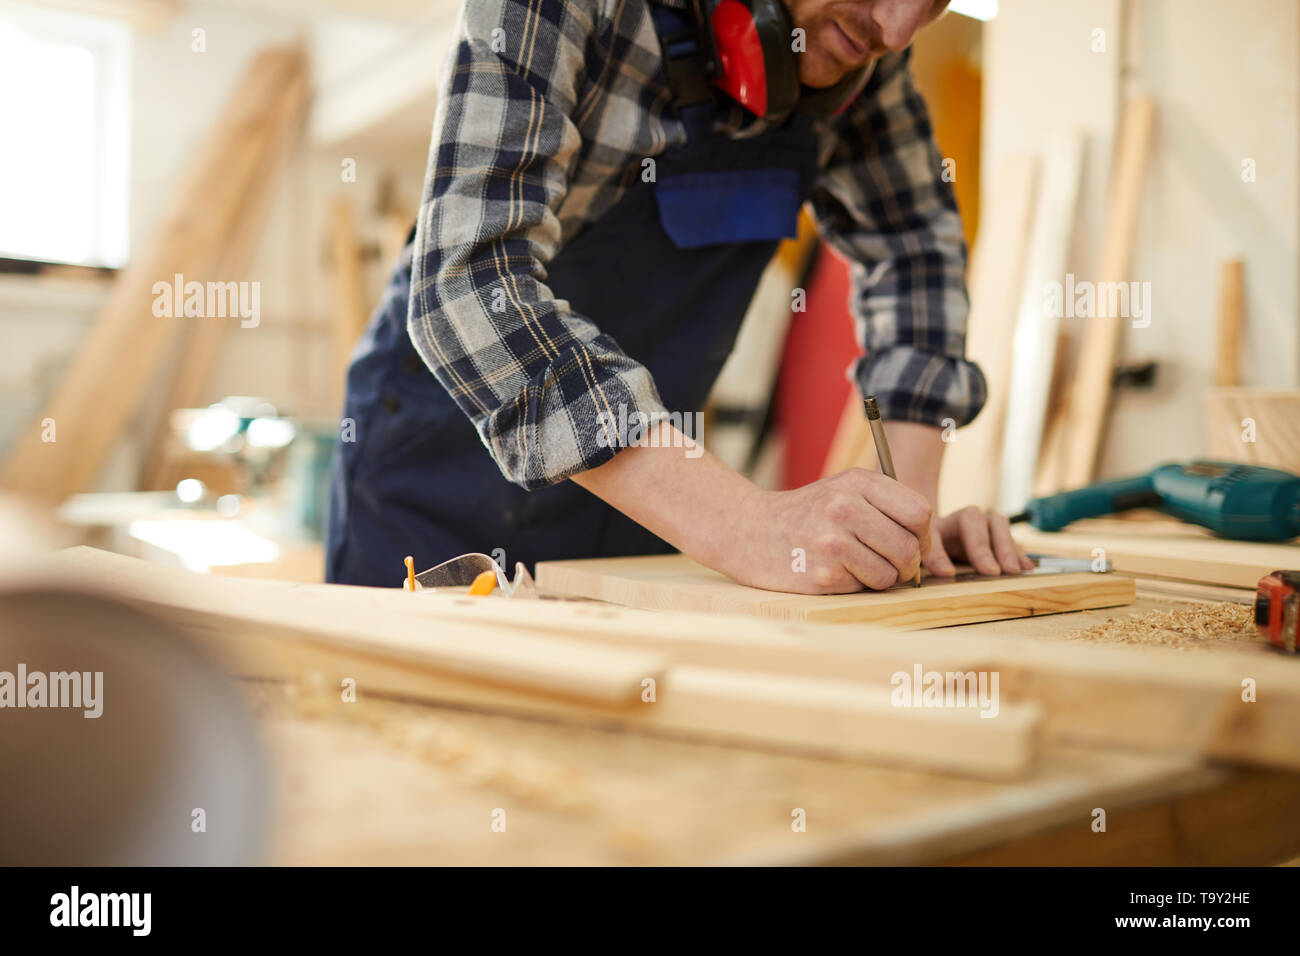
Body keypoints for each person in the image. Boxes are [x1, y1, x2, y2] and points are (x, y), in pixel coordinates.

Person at [327, 0, 1033, 591]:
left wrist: (900, 537)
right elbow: (469, 280)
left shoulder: (859, 47)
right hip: (434, 470)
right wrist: (745, 524)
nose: (898, 27)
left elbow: (917, 257)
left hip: (642, 490)